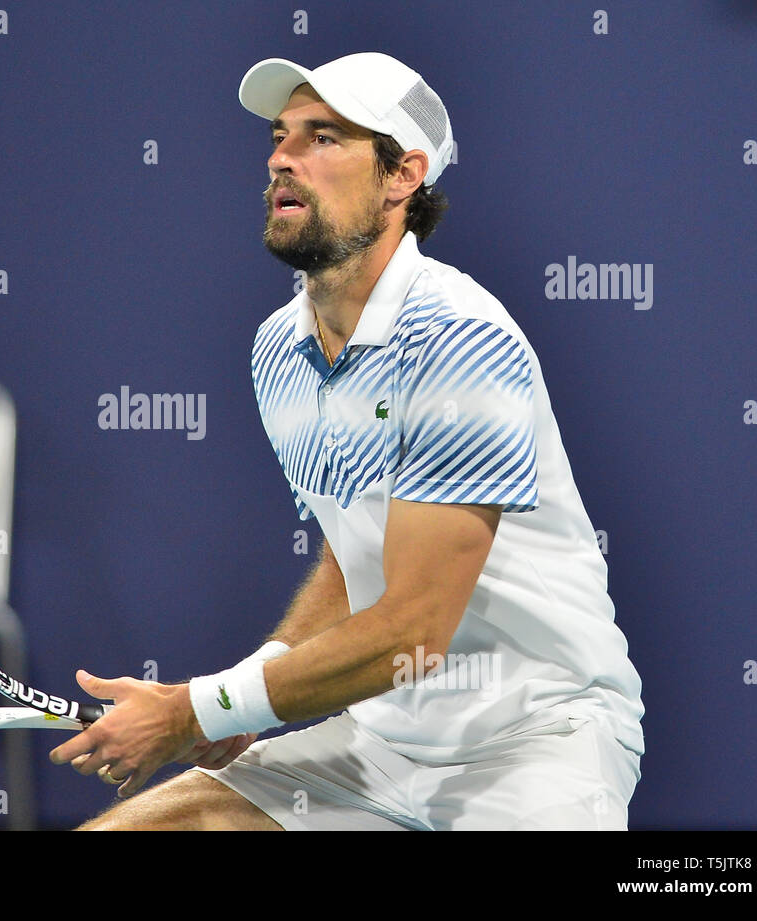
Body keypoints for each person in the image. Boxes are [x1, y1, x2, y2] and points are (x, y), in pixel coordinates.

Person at [49, 52, 644, 830]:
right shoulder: (277, 349)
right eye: (280, 135)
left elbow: (413, 627)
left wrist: (197, 709)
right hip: (380, 746)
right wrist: (253, 688)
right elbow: (354, 552)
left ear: (403, 177)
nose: (281, 158)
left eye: (323, 137)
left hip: (537, 748)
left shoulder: (459, 341)